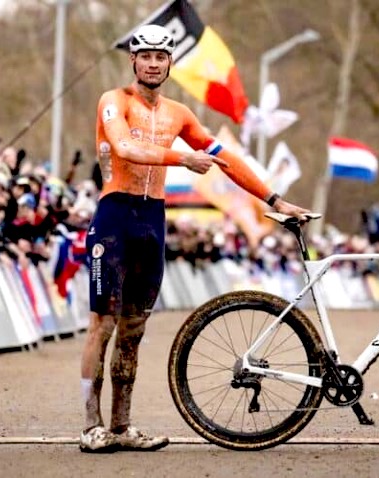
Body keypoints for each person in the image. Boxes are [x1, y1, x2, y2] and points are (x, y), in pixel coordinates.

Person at [79, 24, 310, 453]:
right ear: (133, 60)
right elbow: (125, 146)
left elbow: (225, 159)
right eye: (145, 55)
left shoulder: (178, 114)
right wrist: (182, 157)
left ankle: (122, 426)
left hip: (152, 219)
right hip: (114, 218)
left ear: (169, 63)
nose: (152, 63)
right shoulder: (114, 101)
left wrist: (275, 198)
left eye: (160, 57)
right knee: (104, 323)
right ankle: (91, 426)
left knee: (134, 329)